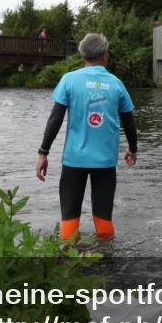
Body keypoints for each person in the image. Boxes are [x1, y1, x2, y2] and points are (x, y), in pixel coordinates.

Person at [36, 33, 138, 241]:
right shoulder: (116, 83)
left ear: (82, 54)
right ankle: (106, 263)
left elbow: (55, 119)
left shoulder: (69, 80)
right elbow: (129, 122)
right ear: (105, 55)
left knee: (69, 219)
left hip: (74, 160)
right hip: (105, 162)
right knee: (104, 220)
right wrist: (133, 149)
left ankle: (67, 262)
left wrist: (43, 152)